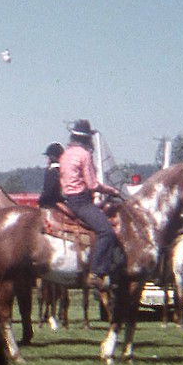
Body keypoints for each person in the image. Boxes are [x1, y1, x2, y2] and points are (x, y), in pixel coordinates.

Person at [58, 119, 121, 288]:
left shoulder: (65, 154)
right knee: (106, 231)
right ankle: (97, 272)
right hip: (81, 201)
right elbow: (92, 185)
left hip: (69, 199)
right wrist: (111, 191)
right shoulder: (84, 155)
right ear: (87, 138)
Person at [38, 142, 64, 209]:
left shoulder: (51, 171)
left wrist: (40, 201)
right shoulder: (64, 170)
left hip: (52, 203)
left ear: (51, 157)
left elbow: (48, 191)